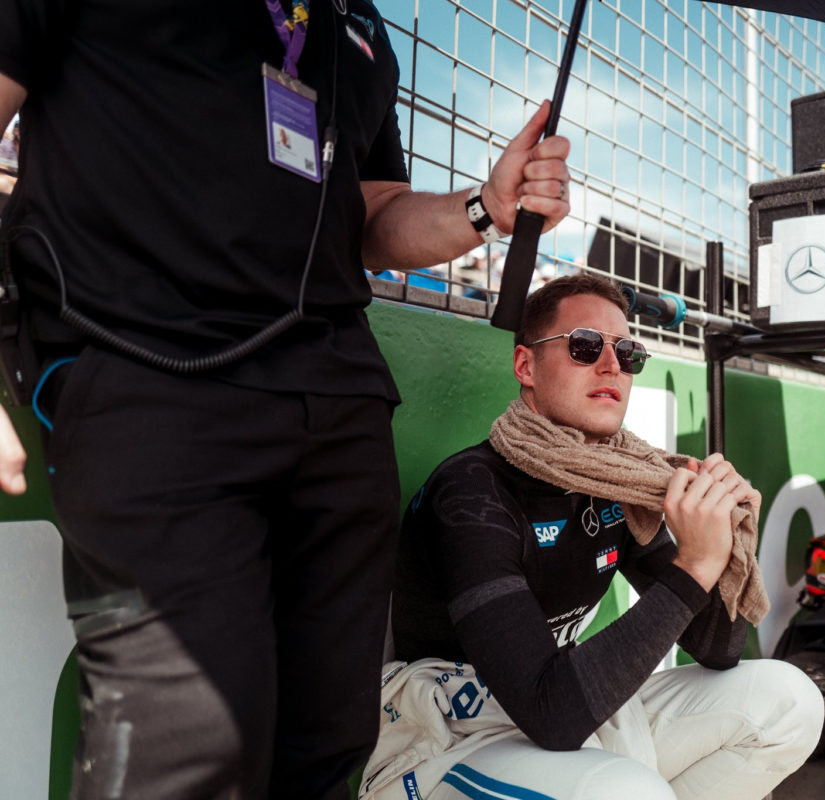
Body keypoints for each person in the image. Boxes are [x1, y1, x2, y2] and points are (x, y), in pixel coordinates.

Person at [0, 2, 571, 796]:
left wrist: (484, 208)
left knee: (329, 744)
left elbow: (373, 214)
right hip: (147, 374)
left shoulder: (360, 25)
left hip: (338, 407)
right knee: (189, 749)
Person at [361, 273, 823, 800]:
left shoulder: (618, 480)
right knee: (626, 792)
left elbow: (716, 649)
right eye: (584, 345)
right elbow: (550, 714)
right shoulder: (470, 493)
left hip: (567, 714)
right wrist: (693, 567)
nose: (611, 365)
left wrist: (717, 546)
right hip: (446, 736)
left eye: (627, 353)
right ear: (525, 366)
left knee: (790, 701)